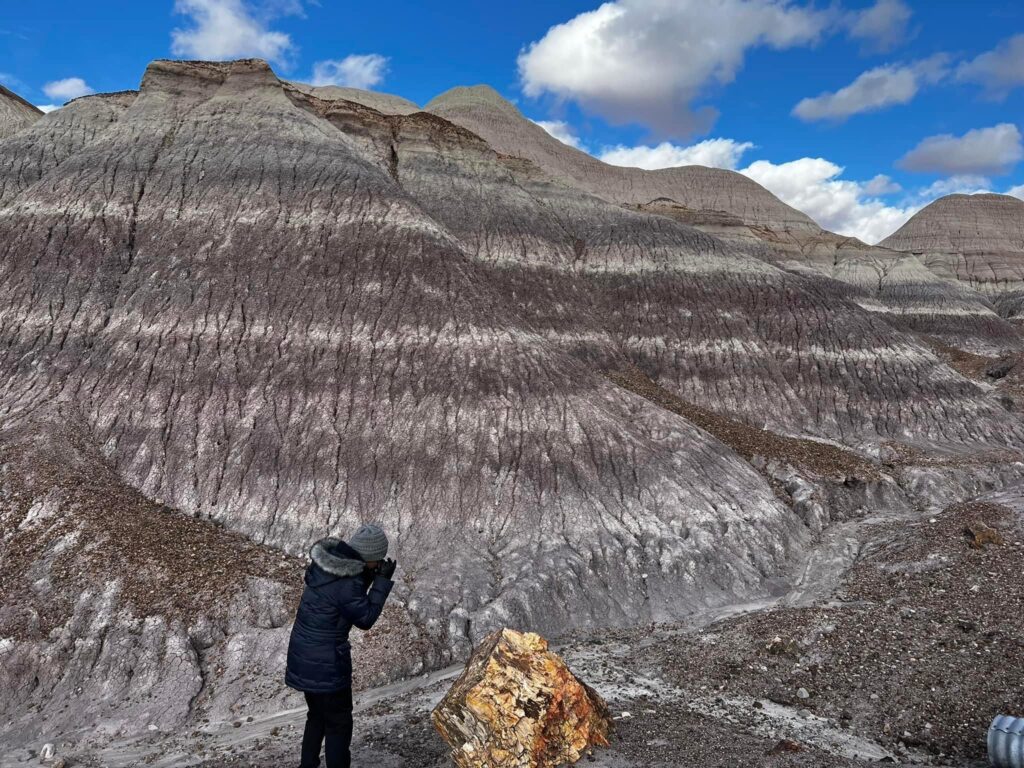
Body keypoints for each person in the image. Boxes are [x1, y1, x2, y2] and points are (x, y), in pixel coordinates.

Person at [285, 524, 396, 768]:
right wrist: (382, 582)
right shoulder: (348, 584)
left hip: (303, 655)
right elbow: (365, 618)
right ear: (369, 557)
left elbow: (346, 592)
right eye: (376, 559)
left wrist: (369, 574)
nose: (378, 563)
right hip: (327, 662)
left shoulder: (328, 567)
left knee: (316, 717)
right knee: (338, 724)